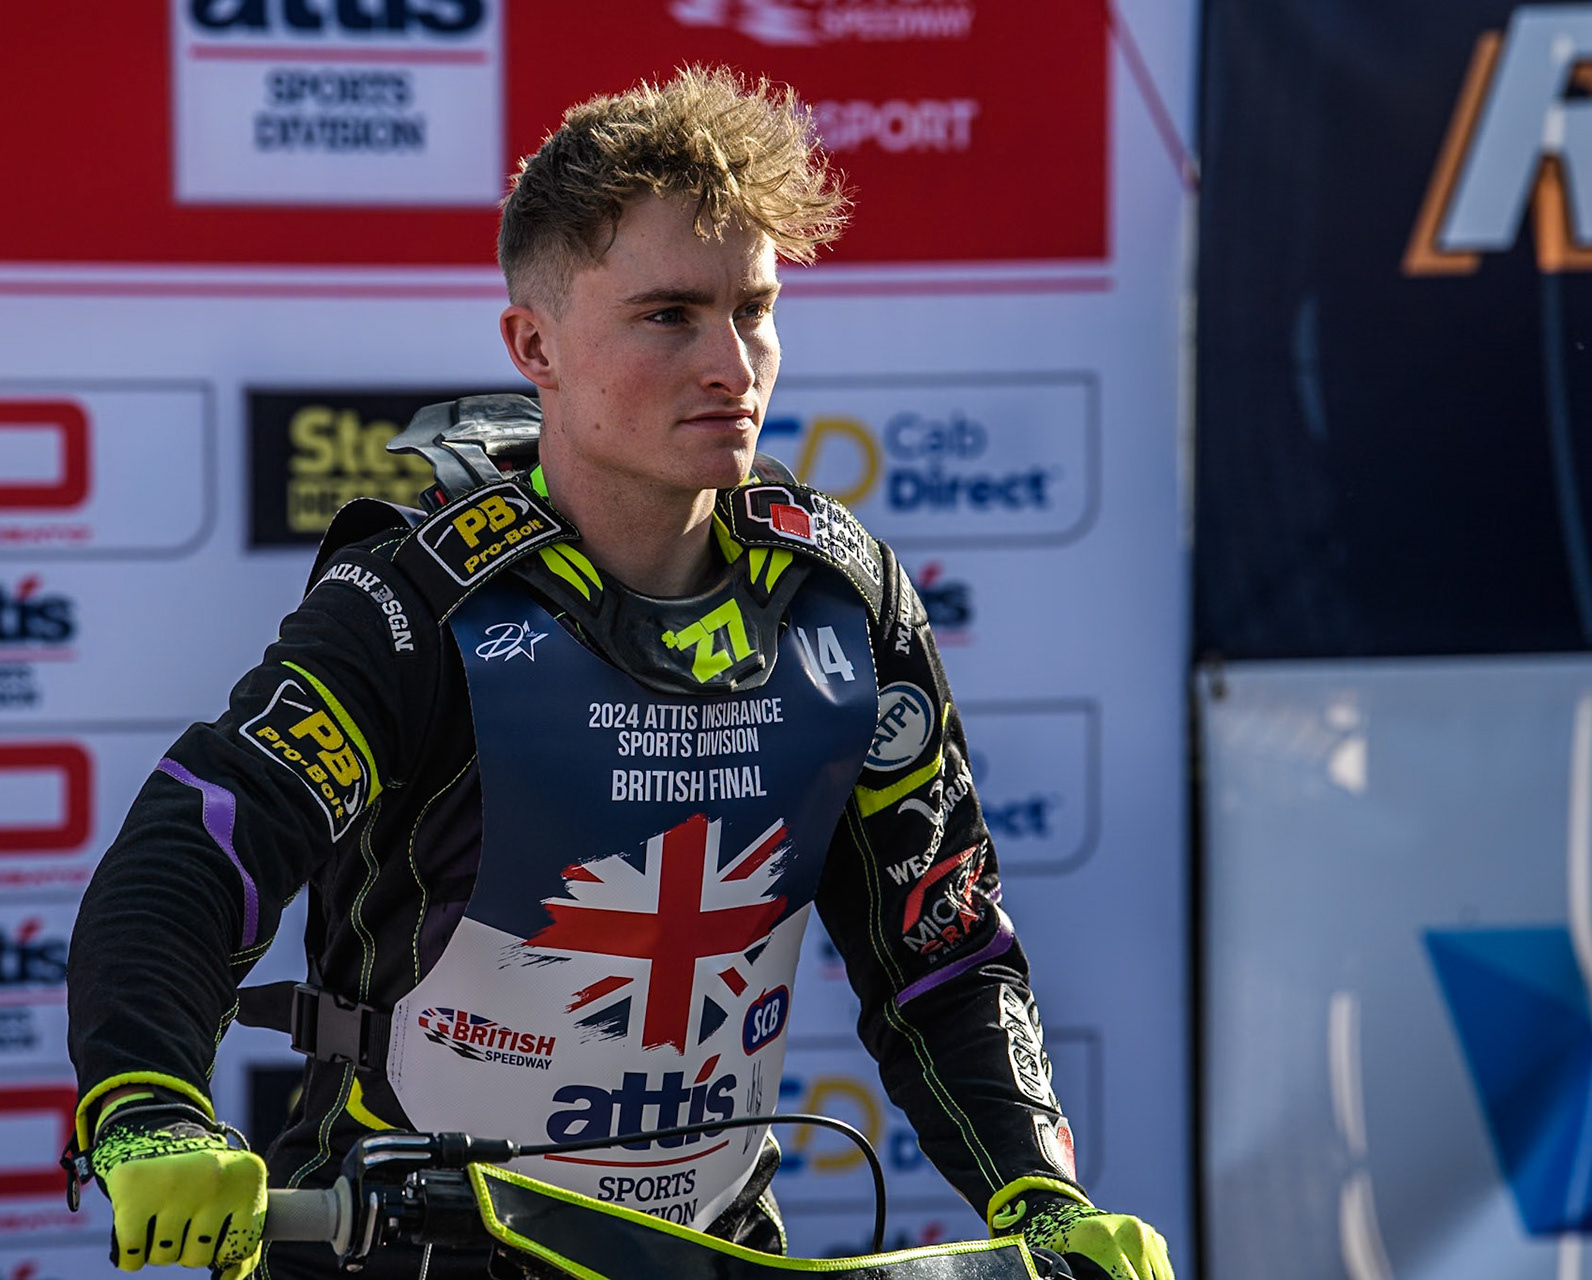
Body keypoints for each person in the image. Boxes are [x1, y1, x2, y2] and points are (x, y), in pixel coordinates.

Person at [62, 67, 1173, 1280]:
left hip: (708, 1251)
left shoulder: (841, 597)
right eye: (670, 315)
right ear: (534, 345)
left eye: (754, 309)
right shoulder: (421, 602)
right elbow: (199, 842)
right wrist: (151, 1103)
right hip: (408, 1247)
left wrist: (1040, 1192)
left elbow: (943, 950)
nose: (733, 364)